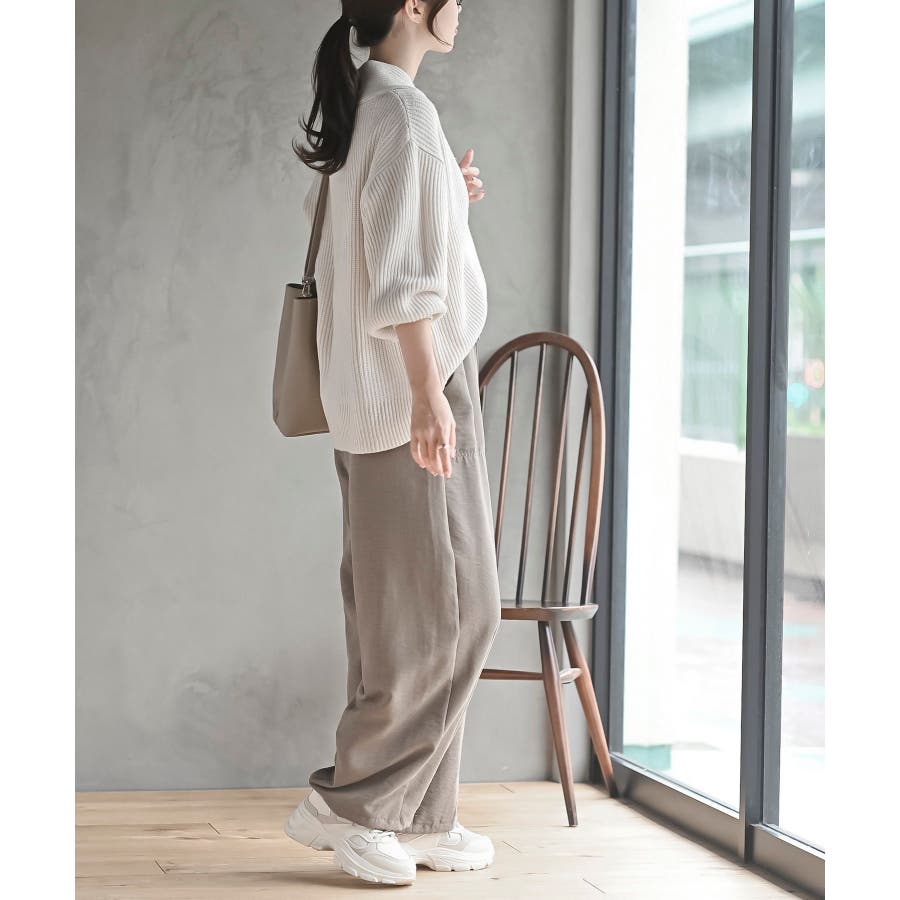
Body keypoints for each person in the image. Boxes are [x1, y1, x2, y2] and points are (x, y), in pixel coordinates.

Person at [282, 0, 502, 886]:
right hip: (411, 389)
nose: (463, 7)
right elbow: (405, 283)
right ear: (414, 5)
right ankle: (355, 806)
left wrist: (447, 196)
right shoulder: (404, 116)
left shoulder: (370, 108)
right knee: (452, 613)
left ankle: (419, 814)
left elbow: (372, 246)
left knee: (396, 622)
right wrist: (426, 395)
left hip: (365, 401)